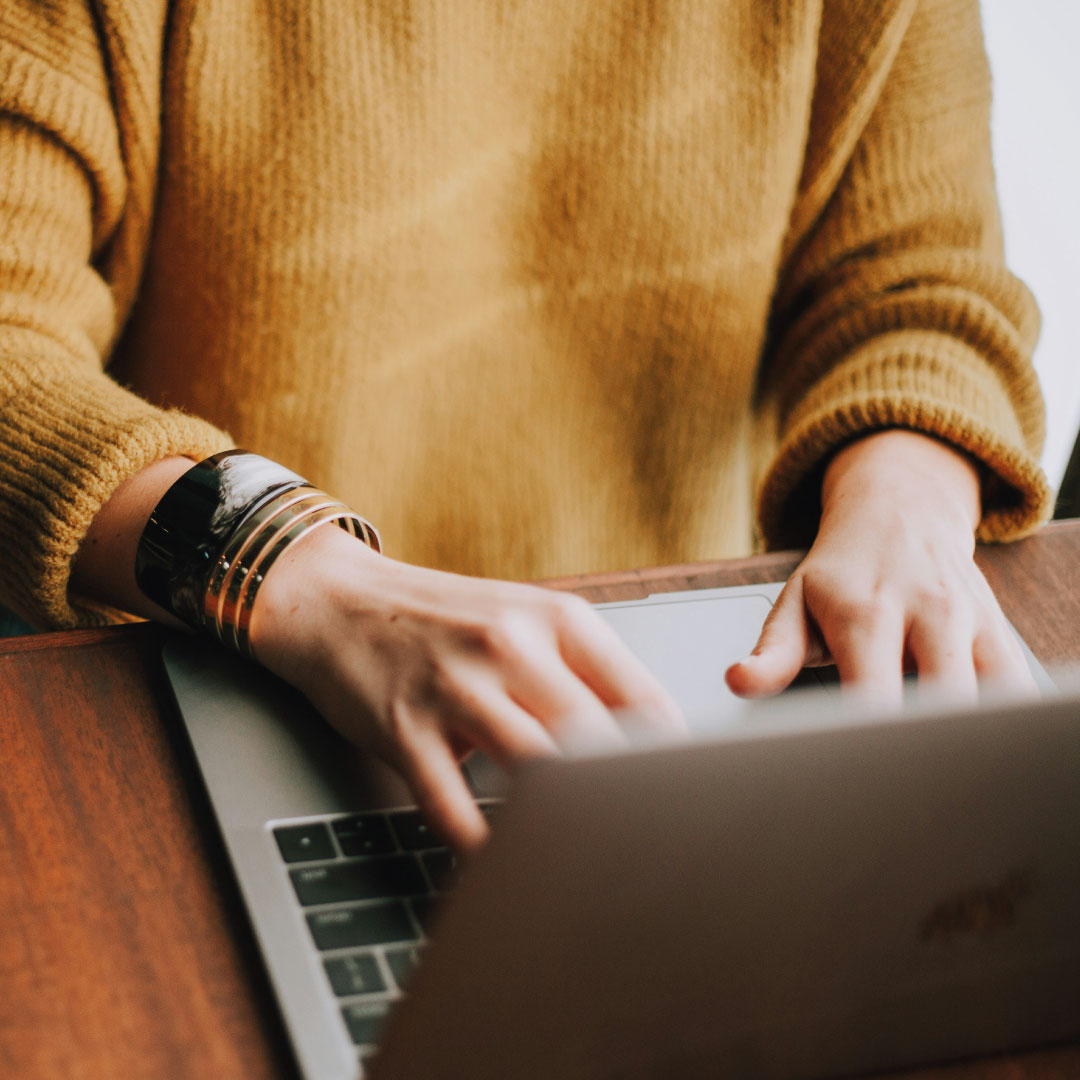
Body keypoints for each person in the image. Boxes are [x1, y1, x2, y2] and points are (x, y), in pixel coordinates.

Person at [0, 0, 1050, 849]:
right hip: (232, 685)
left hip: (701, 698)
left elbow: (918, 284)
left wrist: (905, 506)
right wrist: (308, 580)